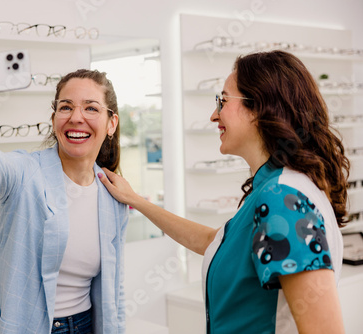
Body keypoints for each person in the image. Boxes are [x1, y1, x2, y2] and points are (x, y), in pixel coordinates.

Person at [99, 50, 350, 334]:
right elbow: (214, 241)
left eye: (223, 100)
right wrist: (135, 200)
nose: (213, 115)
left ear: (260, 108)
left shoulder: (282, 197)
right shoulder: (277, 187)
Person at [0, 50, 128, 334]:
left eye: (91, 108)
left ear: (111, 123)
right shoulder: (24, 173)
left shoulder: (113, 194)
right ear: (54, 119)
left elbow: (115, 289)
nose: (76, 117)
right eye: (65, 107)